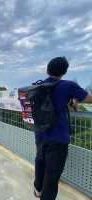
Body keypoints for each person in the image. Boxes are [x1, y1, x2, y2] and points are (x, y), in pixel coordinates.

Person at [33, 57, 92, 200]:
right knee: (52, 176)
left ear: (47, 70)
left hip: (40, 134)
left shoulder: (38, 86)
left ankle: (37, 189)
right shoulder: (68, 86)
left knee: (40, 162)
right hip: (58, 138)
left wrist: (69, 100)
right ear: (64, 72)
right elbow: (89, 98)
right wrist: (74, 99)